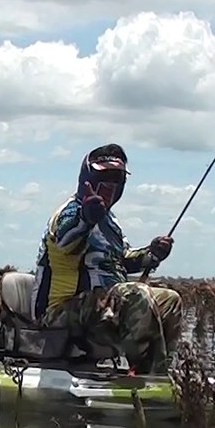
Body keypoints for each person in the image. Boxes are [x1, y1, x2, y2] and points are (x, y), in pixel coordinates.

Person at [30, 143, 183, 374]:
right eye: (104, 176)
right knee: (134, 294)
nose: (110, 184)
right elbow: (65, 237)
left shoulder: (110, 222)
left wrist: (152, 253)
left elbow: (122, 259)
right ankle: (142, 374)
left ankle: (159, 372)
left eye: (117, 178)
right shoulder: (70, 212)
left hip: (103, 308)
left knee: (170, 299)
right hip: (60, 311)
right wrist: (86, 218)